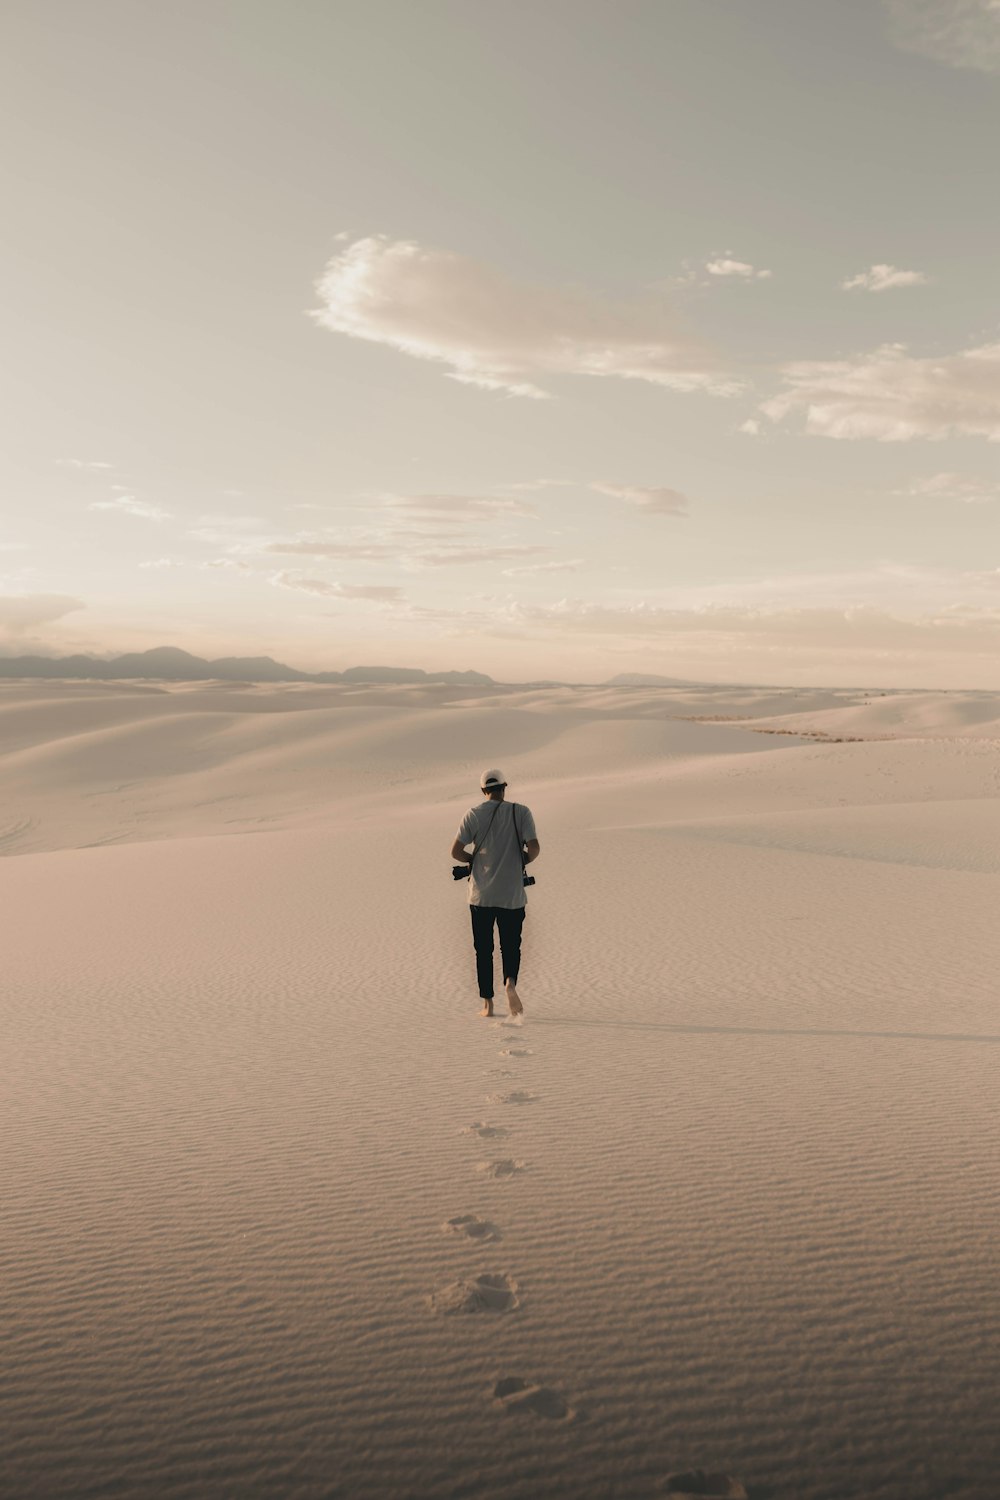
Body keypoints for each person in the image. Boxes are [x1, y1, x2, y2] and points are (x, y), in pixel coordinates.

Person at [451, 769, 540, 1017]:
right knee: (511, 946)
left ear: (483, 791)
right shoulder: (521, 812)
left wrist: (474, 862)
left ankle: (488, 1003)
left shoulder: (473, 814)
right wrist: (520, 860)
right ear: (504, 787)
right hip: (511, 895)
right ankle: (509, 983)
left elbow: (456, 851)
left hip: (481, 895)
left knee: (483, 949)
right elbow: (534, 848)